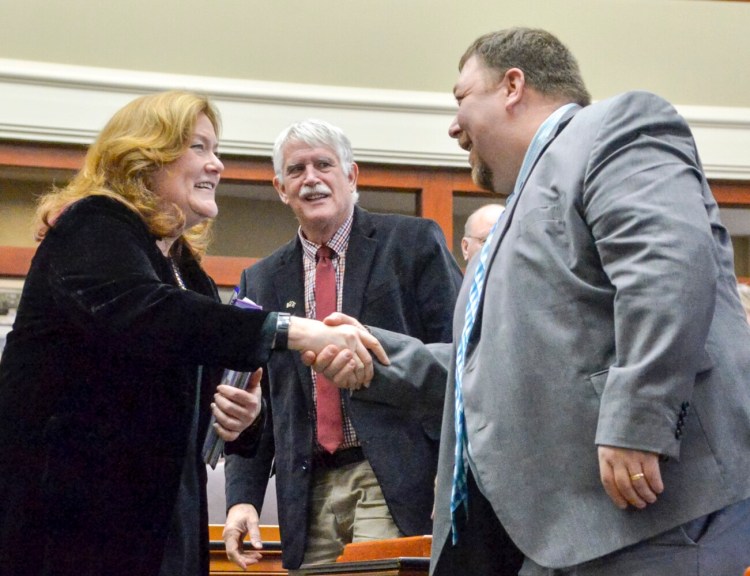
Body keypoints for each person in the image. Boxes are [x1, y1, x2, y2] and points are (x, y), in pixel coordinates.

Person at [309, 28, 750, 576]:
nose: (453, 125)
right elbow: (495, 369)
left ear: (512, 85)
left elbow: (667, 263)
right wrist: (375, 360)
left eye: (461, 97)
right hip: (557, 533)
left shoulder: (613, 128)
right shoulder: (510, 226)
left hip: (651, 515)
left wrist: (638, 420)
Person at [0, 91, 386, 576]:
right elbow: (155, 316)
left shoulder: (185, 268)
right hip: (71, 526)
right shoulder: (93, 225)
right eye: (199, 148)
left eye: (215, 149)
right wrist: (293, 330)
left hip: (159, 521)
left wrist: (240, 420)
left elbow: (200, 398)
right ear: (145, 155)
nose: (218, 165)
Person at [222, 118, 463, 571]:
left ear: (351, 176)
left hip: (396, 478)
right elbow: (255, 401)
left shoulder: (412, 244)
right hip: (306, 491)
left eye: (323, 165)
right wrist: (243, 499)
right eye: (296, 170)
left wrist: (451, 475)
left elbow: (459, 365)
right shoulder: (261, 279)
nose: (310, 179)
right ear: (280, 187)